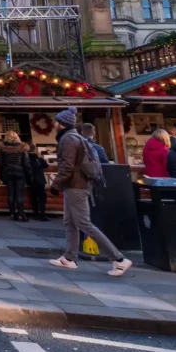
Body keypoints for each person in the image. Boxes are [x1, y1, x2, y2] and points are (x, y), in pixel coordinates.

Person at [48, 107, 132, 276]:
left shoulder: (69, 139)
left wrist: (55, 184)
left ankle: (119, 259)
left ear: (63, 124)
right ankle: (69, 258)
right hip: (75, 185)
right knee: (70, 222)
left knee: (83, 223)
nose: (55, 124)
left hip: (76, 186)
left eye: (57, 121)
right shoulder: (74, 137)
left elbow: (68, 166)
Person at [0, 130, 31, 221]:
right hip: (20, 172)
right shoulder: (22, 147)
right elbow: (26, 163)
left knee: (11, 194)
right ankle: (21, 214)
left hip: (7, 172)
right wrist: (29, 174)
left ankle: (12, 214)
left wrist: (1, 175)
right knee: (19, 194)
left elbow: (0, 163)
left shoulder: (3, 148)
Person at [26, 143, 49, 221]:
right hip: (40, 180)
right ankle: (42, 214)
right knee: (42, 198)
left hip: (31, 181)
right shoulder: (39, 159)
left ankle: (35, 213)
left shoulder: (26, 159)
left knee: (34, 198)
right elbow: (46, 166)